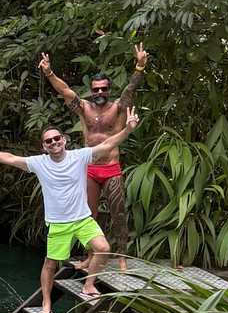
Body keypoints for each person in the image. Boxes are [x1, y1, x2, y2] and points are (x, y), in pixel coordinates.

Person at [0, 109, 139, 313]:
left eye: (56, 138)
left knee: (103, 248)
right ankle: (46, 303)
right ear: (44, 146)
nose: (53, 143)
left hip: (82, 219)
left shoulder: (80, 157)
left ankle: (88, 286)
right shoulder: (39, 163)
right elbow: (10, 158)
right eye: (48, 141)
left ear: (64, 140)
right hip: (58, 224)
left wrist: (128, 129)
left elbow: (107, 145)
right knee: (50, 264)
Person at [38, 44, 148, 270]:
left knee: (118, 214)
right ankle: (90, 256)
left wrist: (140, 66)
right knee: (89, 216)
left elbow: (131, 88)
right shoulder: (84, 108)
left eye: (104, 89)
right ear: (90, 91)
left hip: (111, 167)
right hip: (88, 169)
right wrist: (48, 72)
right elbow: (65, 90)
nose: (100, 93)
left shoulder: (118, 108)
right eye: (96, 89)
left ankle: (121, 258)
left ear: (109, 90)